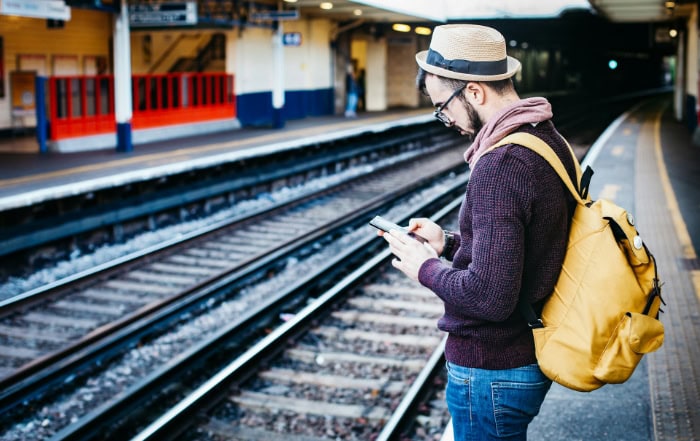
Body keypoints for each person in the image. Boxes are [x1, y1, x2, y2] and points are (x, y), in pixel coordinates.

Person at [378, 24, 578, 440]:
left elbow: (489, 296)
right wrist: (448, 243)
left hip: (492, 367)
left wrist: (424, 267)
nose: (444, 119)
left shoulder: (499, 165)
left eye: (442, 106)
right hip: (522, 356)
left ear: (473, 91)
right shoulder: (546, 138)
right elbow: (526, 246)